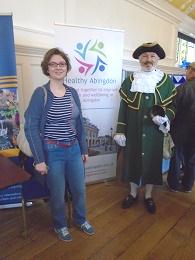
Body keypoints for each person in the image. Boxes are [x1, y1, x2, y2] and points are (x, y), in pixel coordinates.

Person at [24, 48, 95, 242]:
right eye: (53, 64)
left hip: (73, 149)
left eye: (62, 64)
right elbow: (30, 126)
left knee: (79, 189)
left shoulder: (72, 92)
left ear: (67, 67)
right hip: (52, 151)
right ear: (47, 68)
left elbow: (79, 123)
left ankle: (80, 220)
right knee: (57, 192)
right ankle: (60, 225)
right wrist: (39, 159)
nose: (58, 67)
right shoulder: (41, 93)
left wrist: (83, 149)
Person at [114, 42, 176, 214]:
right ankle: (133, 193)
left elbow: (173, 106)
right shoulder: (131, 81)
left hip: (154, 133)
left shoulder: (165, 82)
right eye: (145, 56)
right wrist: (120, 129)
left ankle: (148, 195)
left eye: (152, 56)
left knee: (151, 164)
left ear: (157, 59)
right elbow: (124, 107)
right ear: (140, 59)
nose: (148, 59)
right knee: (132, 162)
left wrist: (165, 117)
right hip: (133, 131)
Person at [167, 61, 195, 193]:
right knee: (191, 158)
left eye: (188, 69)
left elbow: (173, 109)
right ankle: (188, 185)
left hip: (179, 130)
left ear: (192, 71)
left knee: (176, 157)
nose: (186, 72)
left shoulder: (181, 88)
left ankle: (174, 185)